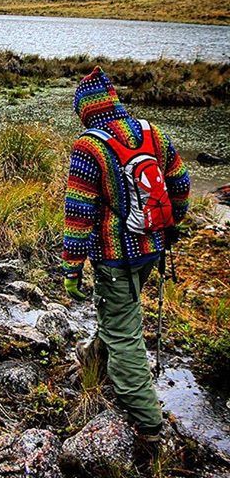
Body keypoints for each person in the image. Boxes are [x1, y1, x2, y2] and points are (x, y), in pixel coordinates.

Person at [61, 66, 190, 438]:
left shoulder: (89, 145)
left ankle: (150, 424)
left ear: (85, 110)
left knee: (124, 334)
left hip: (115, 255)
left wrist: (72, 268)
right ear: (114, 103)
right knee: (120, 312)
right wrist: (170, 225)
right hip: (152, 248)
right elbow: (180, 183)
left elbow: (79, 213)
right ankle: (93, 361)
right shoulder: (152, 133)